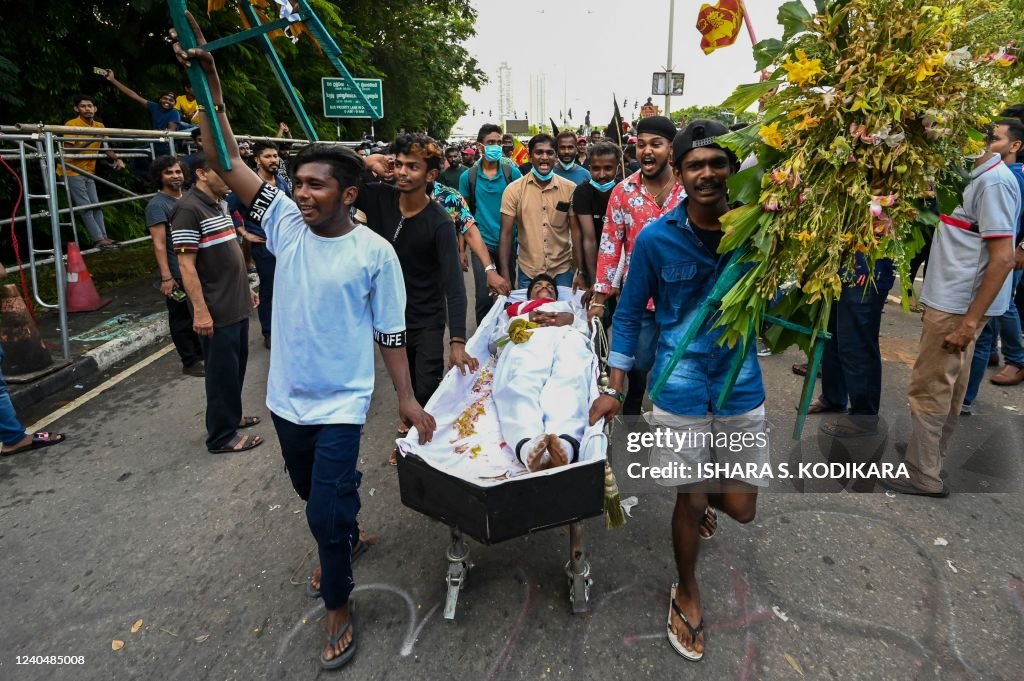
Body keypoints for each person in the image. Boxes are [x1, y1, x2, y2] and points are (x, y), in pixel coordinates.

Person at [174, 21, 435, 669]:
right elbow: (222, 158)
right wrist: (207, 85)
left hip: (344, 405)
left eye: (316, 185)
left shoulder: (375, 253)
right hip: (287, 403)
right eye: (298, 184)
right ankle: (343, 529)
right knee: (313, 495)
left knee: (323, 511)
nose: (302, 193)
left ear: (348, 194)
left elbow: (392, 332)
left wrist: (405, 398)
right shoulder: (284, 223)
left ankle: (339, 602)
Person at [590, 120, 766, 663]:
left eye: (718, 163)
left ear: (732, 171)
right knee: (689, 498)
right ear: (681, 172)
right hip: (679, 389)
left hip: (740, 388)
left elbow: (783, 301)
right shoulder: (655, 239)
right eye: (696, 164)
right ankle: (686, 589)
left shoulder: (761, 234)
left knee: (740, 507)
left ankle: (706, 491)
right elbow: (626, 316)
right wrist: (617, 385)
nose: (707, 173)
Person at [882, 134, 1021, 497]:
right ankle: (927, 455)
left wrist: (970, 321)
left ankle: (923, 473)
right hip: (954, 301)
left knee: (930, 387)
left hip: (959, 306)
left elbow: (1004, 257)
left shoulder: (994, 182)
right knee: (948, 386)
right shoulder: (967, 175)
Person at [361, 135, 475, 465]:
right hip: (386, 316)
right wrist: (367, 161)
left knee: (425, 385)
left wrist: (456, 340)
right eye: (397, 164)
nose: (403, 173)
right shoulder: (378, 198)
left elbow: (455, 285)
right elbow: (334, 174)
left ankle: (418, 451)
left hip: (426, 317)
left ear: (431, 175)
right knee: (405, 383)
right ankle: (413, 431)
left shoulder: (440, 222)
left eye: (414, 166)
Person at [589, 116, 686, 415]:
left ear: (670, 149)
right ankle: (634, 395)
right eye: (641, 144)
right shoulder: (622, 192)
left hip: (683, 297)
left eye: (656, 144)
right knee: (638, 361)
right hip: (638, 297)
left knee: (679, 363)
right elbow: (609, 246)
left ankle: (671, 414)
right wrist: (599, 297)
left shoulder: (687, 189)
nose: (647, 151)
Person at [169, 152, 263, 454]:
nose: (231, 179)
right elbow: (186, 266)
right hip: (216, 309)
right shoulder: (187, 209)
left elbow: (229, 253)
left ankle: (231, 417)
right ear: (201, 174)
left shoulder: (217, 205)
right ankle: (222, 436)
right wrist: (200, 310)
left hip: (235, 303)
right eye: (223, 173)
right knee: (221, 373)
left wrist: (245, 290)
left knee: (236, 368)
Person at [491, 274, 591, 471]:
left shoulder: (568, 308)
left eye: (550, 286)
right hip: (529, 339)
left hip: (565, 337)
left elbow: (586, 332)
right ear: (529, 295)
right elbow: (494, 342)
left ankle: (565, 442)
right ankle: (526, 443)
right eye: (538, 285)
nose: (545, 287)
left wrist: (569, 320)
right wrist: (525, 319)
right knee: (521, 381)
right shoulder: (515, 311)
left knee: (571, 377)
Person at [961, 118, 1024, 412]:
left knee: (998, 312)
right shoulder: (990, 171)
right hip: (995, 252)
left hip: (1008, 254)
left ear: (1015, 145)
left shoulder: (1009, 176)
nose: (984, 144)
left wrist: (1022, 247)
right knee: (990, 320)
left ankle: (1015, 360)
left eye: (994, 139)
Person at [145, 155, 204, 376]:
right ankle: (189, 361)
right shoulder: (157, 205)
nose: (175, 176)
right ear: (159, 177)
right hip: (177, 271)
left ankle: (200, 355)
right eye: (169, 172)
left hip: (195, 267)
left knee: (197, 312)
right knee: (181, 318)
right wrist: (167, 277)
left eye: (178, 171)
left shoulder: (187, 198)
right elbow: (159, 244)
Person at [228, 141, 290, 349]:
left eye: (275, 156)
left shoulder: (282, 183)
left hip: (284, 244)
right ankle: (269, 332)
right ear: (257, 160)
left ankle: (287, 328)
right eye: (268, 156)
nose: (273, 160)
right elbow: (226, 208)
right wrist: (244, 232)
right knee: (269, 290)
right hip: (263, 247)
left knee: (288, 288)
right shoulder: (250, 186)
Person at [459, 124, 523, 324]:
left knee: (507, 291)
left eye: (498, 142)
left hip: (509, 244)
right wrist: (462, 249)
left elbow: (524, 201)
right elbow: (463, 215)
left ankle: (506, 337)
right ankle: (483, 342)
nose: (496, 146)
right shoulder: (468, 177)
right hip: (481, 245)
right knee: (483, 298)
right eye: (491, 143)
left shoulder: (511, 173)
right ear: (480, 146)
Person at [499, 133, 577, 290]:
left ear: (555, 157)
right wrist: (505, 275)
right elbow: (506, 235)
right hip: (528, 272)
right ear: (529, 157)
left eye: (549, 153)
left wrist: (579, 270)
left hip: (562, 270)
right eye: (539, 152)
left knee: (562, 313)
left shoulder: (570, 189)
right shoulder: (513, 190)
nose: (544, 157)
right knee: (530, 314)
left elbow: (576, 233)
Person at [60, 94, 125, 250]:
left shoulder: (100, 125)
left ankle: (104, 237)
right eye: (83, 106)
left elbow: (106, 147)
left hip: (89, 170)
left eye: (90, 106)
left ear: (95, 108)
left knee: (96, 205)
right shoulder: (71, 124)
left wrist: (117, 159)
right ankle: (98, 239)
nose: (87, 109)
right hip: (72, 170)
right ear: (77, 109)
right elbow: (69, 150)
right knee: (85, 206)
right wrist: (92, 138)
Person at [571, 141, 622, 293]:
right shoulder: (582, 192)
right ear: (590, 168)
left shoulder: (624, 190)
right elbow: (589, 239)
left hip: (621, 262)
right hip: (592, 262)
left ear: (617, 168)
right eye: (596, 169)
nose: (601, 175)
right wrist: (596, 281)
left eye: (608, 168)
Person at [103, 69, 181, 132]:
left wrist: (152, 135)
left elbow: (171, 131)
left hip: (168, 145)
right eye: (165, 98)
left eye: (171, 100)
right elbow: (134, 96)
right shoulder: (154, 107)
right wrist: (112, 80)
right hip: (156, 142)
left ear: (174, 104)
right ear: (160, 100)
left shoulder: (174, 113)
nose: (167, 101)